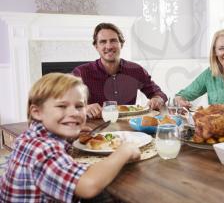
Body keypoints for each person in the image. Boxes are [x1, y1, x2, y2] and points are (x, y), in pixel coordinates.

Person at [0, 73, 140, 202]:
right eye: (62, 106)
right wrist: (125, 150)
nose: (74, 113)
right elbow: (88, 186)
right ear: (37, 112)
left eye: (79, 106)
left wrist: (69, 136)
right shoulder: (42, 149)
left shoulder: (32, 137)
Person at [73, 22, 167, 118]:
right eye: (103, 42)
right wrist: (84, 108)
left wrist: (157, 99)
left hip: (129, 127)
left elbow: (158, 93)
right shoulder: (81, 73)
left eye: (113, 41)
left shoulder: (136, 70)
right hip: (95, 128)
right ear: (96, 46)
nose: (109, 46)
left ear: (121, 44)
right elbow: (65, 104)